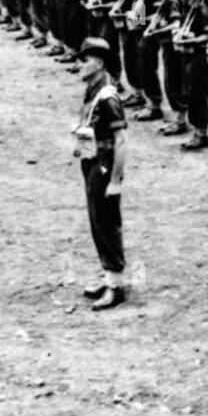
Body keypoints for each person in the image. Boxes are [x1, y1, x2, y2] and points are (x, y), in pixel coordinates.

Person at [73, 36, 129, 311]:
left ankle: (116, 286)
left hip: (105, 163)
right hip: (92, 159)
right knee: (97, 220)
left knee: (107, 222)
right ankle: (109, 276)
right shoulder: (93, 90)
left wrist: (116, 181)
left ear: (99, 62)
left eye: (85, 60)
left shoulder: (107, 96)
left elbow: (121, 140)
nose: (80, 64)